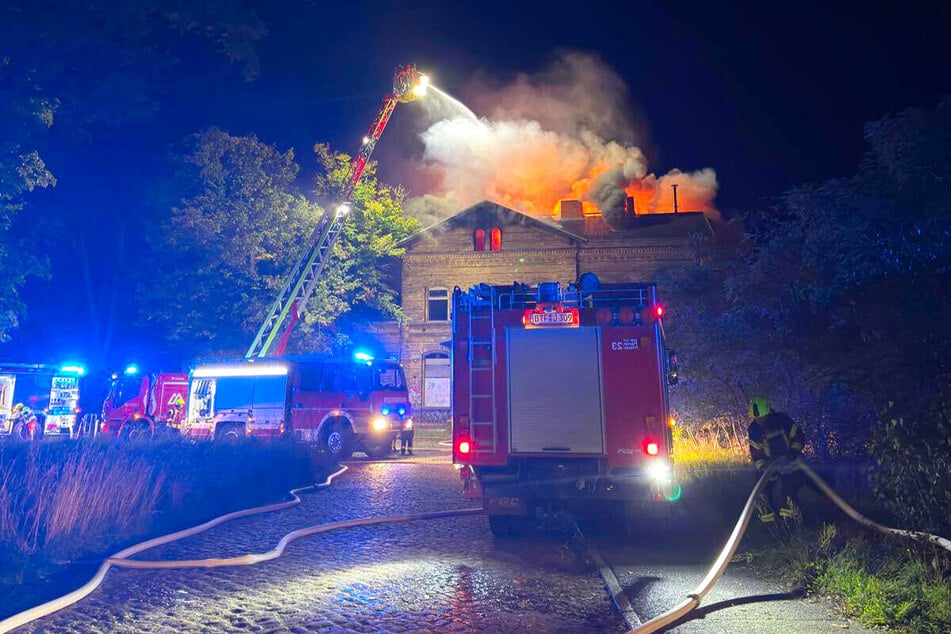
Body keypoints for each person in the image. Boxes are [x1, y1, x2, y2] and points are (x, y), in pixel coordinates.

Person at [748, 397, 806, 523]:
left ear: (769, 413)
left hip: (792, 464)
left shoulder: (783, 421)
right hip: (770, 467)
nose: (760, 422)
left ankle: (790, 524)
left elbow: (799, 437)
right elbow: (756, 453)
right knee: (760, 493)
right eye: (757, 419)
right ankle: (770, 526)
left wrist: (791, 453)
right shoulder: (754, 430)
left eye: (762, 418)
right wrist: (764, 467)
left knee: (788, 492)